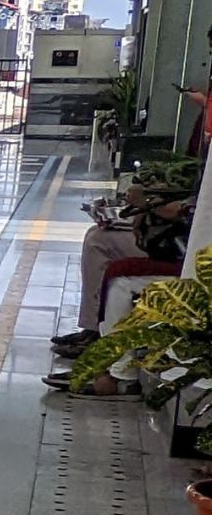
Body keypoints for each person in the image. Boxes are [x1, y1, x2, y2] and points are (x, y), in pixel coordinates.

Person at [48, 163, 199, 395]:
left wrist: (151, 203)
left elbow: (193, 212)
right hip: (188, 249)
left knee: (122, 280)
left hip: (194, 258)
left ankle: (119, 374)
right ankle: (107, 355)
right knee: (100, 241)